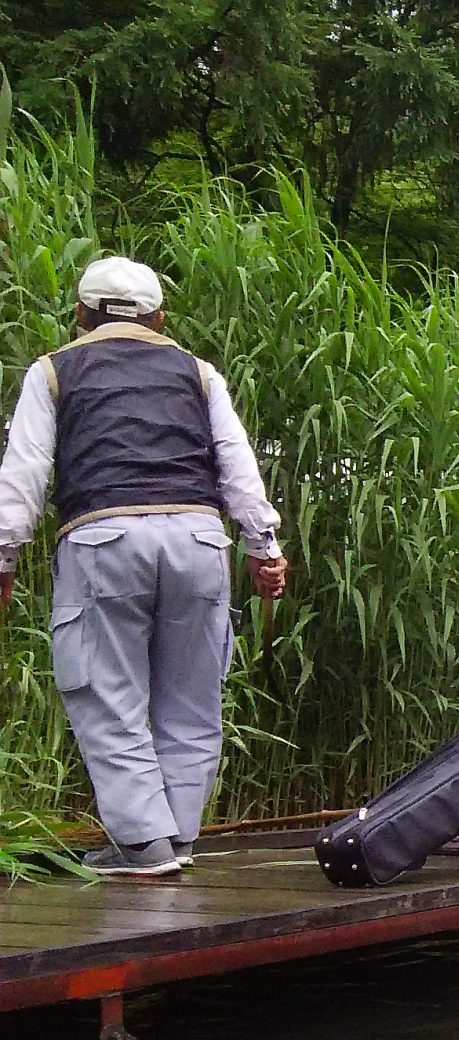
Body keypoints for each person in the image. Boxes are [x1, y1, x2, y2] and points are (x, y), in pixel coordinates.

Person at [0, 257, 291, 877]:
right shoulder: (199, 373)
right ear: (160, 319)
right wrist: (263, 548)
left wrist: (4, 558)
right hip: (198, 537)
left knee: (107, 695)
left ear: (81, 315)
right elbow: (239, 467)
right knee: (191, 696)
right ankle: (177, 838)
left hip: (103, 538)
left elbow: (21, 477)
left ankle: (142, 846)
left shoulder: (52, 372)